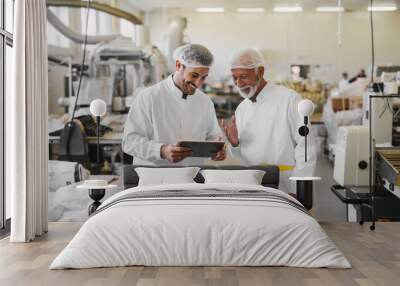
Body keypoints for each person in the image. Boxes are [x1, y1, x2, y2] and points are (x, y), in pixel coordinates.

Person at [222, 48, 316, 195]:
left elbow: (306, 146)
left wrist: (298, 188)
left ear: (260, 72)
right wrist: (235, 144)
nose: (238, 83)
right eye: (234, 77)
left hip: (285, 185)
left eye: (243, 76)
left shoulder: (289, 99)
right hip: (253, 185)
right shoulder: (242, 109)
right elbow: (243, 157)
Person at [122, 44, 225, 165]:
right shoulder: (148, 97)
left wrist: (217, 150)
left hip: (191, 177)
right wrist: (161, 150)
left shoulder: (205, 102)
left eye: (203, 77)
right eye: (194, 75)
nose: (198, 83)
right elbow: (129, 141)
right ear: (178, 65)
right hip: (154, 178)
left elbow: (213, 136)